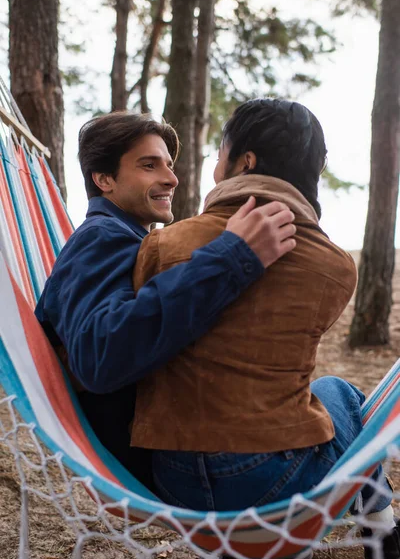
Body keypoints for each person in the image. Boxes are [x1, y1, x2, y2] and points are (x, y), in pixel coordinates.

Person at [131, 99, 399, 559]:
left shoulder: (163, 243)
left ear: (245, 162)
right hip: (268, 481)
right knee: (340, 393)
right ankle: (383, 531)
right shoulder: (335, 267)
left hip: (173, 478)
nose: (216, 165)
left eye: (220, 152)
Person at [35, 111, 296, 487]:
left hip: (160, 444)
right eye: (148, 165)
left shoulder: (126, 240)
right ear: (104, 179)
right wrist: (234, 256)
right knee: (338, 397)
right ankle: (379, 529)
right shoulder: (102, 237)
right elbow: (100, 354)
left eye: (169, 165)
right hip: (156, 459)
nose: (171, 178)